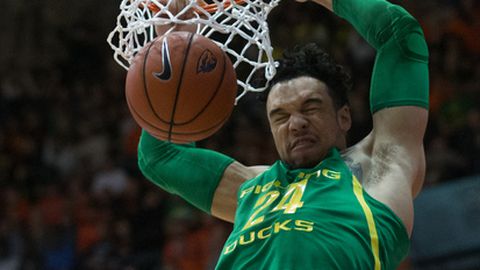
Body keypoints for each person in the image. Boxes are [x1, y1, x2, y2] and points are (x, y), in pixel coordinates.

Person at [137, 0, 429, 268]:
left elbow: (400, 37)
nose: (296, 123)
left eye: (310, 107)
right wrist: (173, 47)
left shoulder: (379, 165)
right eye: (281, 116)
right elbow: (159, 155)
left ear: (343, 117)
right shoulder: (252, 189)